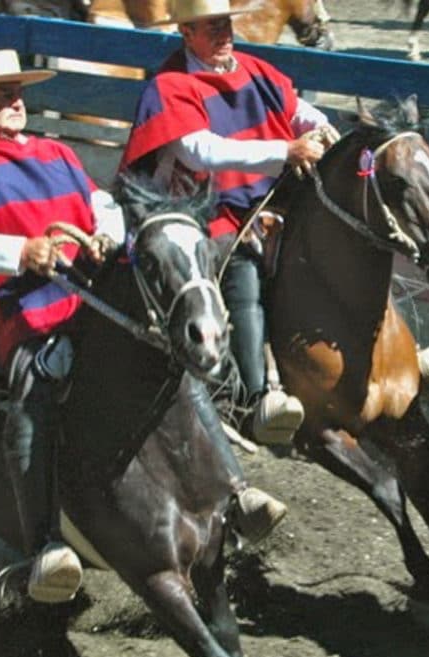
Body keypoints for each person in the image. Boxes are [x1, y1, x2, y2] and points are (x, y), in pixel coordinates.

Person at [0, 50, 279, 606]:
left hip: (87, 300)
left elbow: (102, 204)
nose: (16, 102)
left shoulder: (54, 152)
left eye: (19, 91)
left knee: (168, 357)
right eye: (3, 95)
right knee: (36, 390)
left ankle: (234, 492)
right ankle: (45, 545)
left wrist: (106, 233)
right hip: (21, 312)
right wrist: (20, 251)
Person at [119, 0, 338, 446]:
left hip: (265, 197)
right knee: (241, 266)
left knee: (334, 235)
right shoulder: (169, 85)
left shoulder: (255, 69)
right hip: (198, 210)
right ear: (186, 33)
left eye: (225, 24)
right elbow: (203, 152)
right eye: (210, 27)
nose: (223, 34)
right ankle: (254, 400)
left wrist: (323, 126)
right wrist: (285, 152)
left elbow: (297, 110)